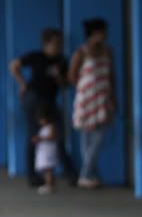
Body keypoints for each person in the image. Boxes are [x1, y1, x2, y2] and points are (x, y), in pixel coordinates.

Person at [9, 28, 76, 187]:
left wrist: (58, 76)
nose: (57, 47)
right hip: (34, 98)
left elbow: (66, 85)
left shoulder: (61, 61)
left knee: (57, 134)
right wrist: (22, 83)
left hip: (50, 100)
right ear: (46, 44)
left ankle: (69, 173)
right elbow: (14, 65)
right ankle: (33, 176)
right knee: (33, 134)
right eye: (54, 44)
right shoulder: (37, 57)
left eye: (59, 44)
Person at [68, 18, 117, 189]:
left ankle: (86, 174)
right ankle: (89, 175)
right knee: (87, 140)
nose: (104, 35)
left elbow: (111, 76)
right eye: (102, 31)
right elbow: (72, 76)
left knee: (98, 138)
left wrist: (113, 98)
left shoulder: (107, 51)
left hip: (103, 98)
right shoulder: (81, 52)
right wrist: (87, 86)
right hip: (86, 99)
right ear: (94, 33)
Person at [32, 104, 59, 195]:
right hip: (44, 151)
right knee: (46, 169)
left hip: (48, 151)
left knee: (48, 169)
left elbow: (52, 136)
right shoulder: (43, 128)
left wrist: (40, 138)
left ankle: (49, 185)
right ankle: (51, 183)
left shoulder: (51, 127)